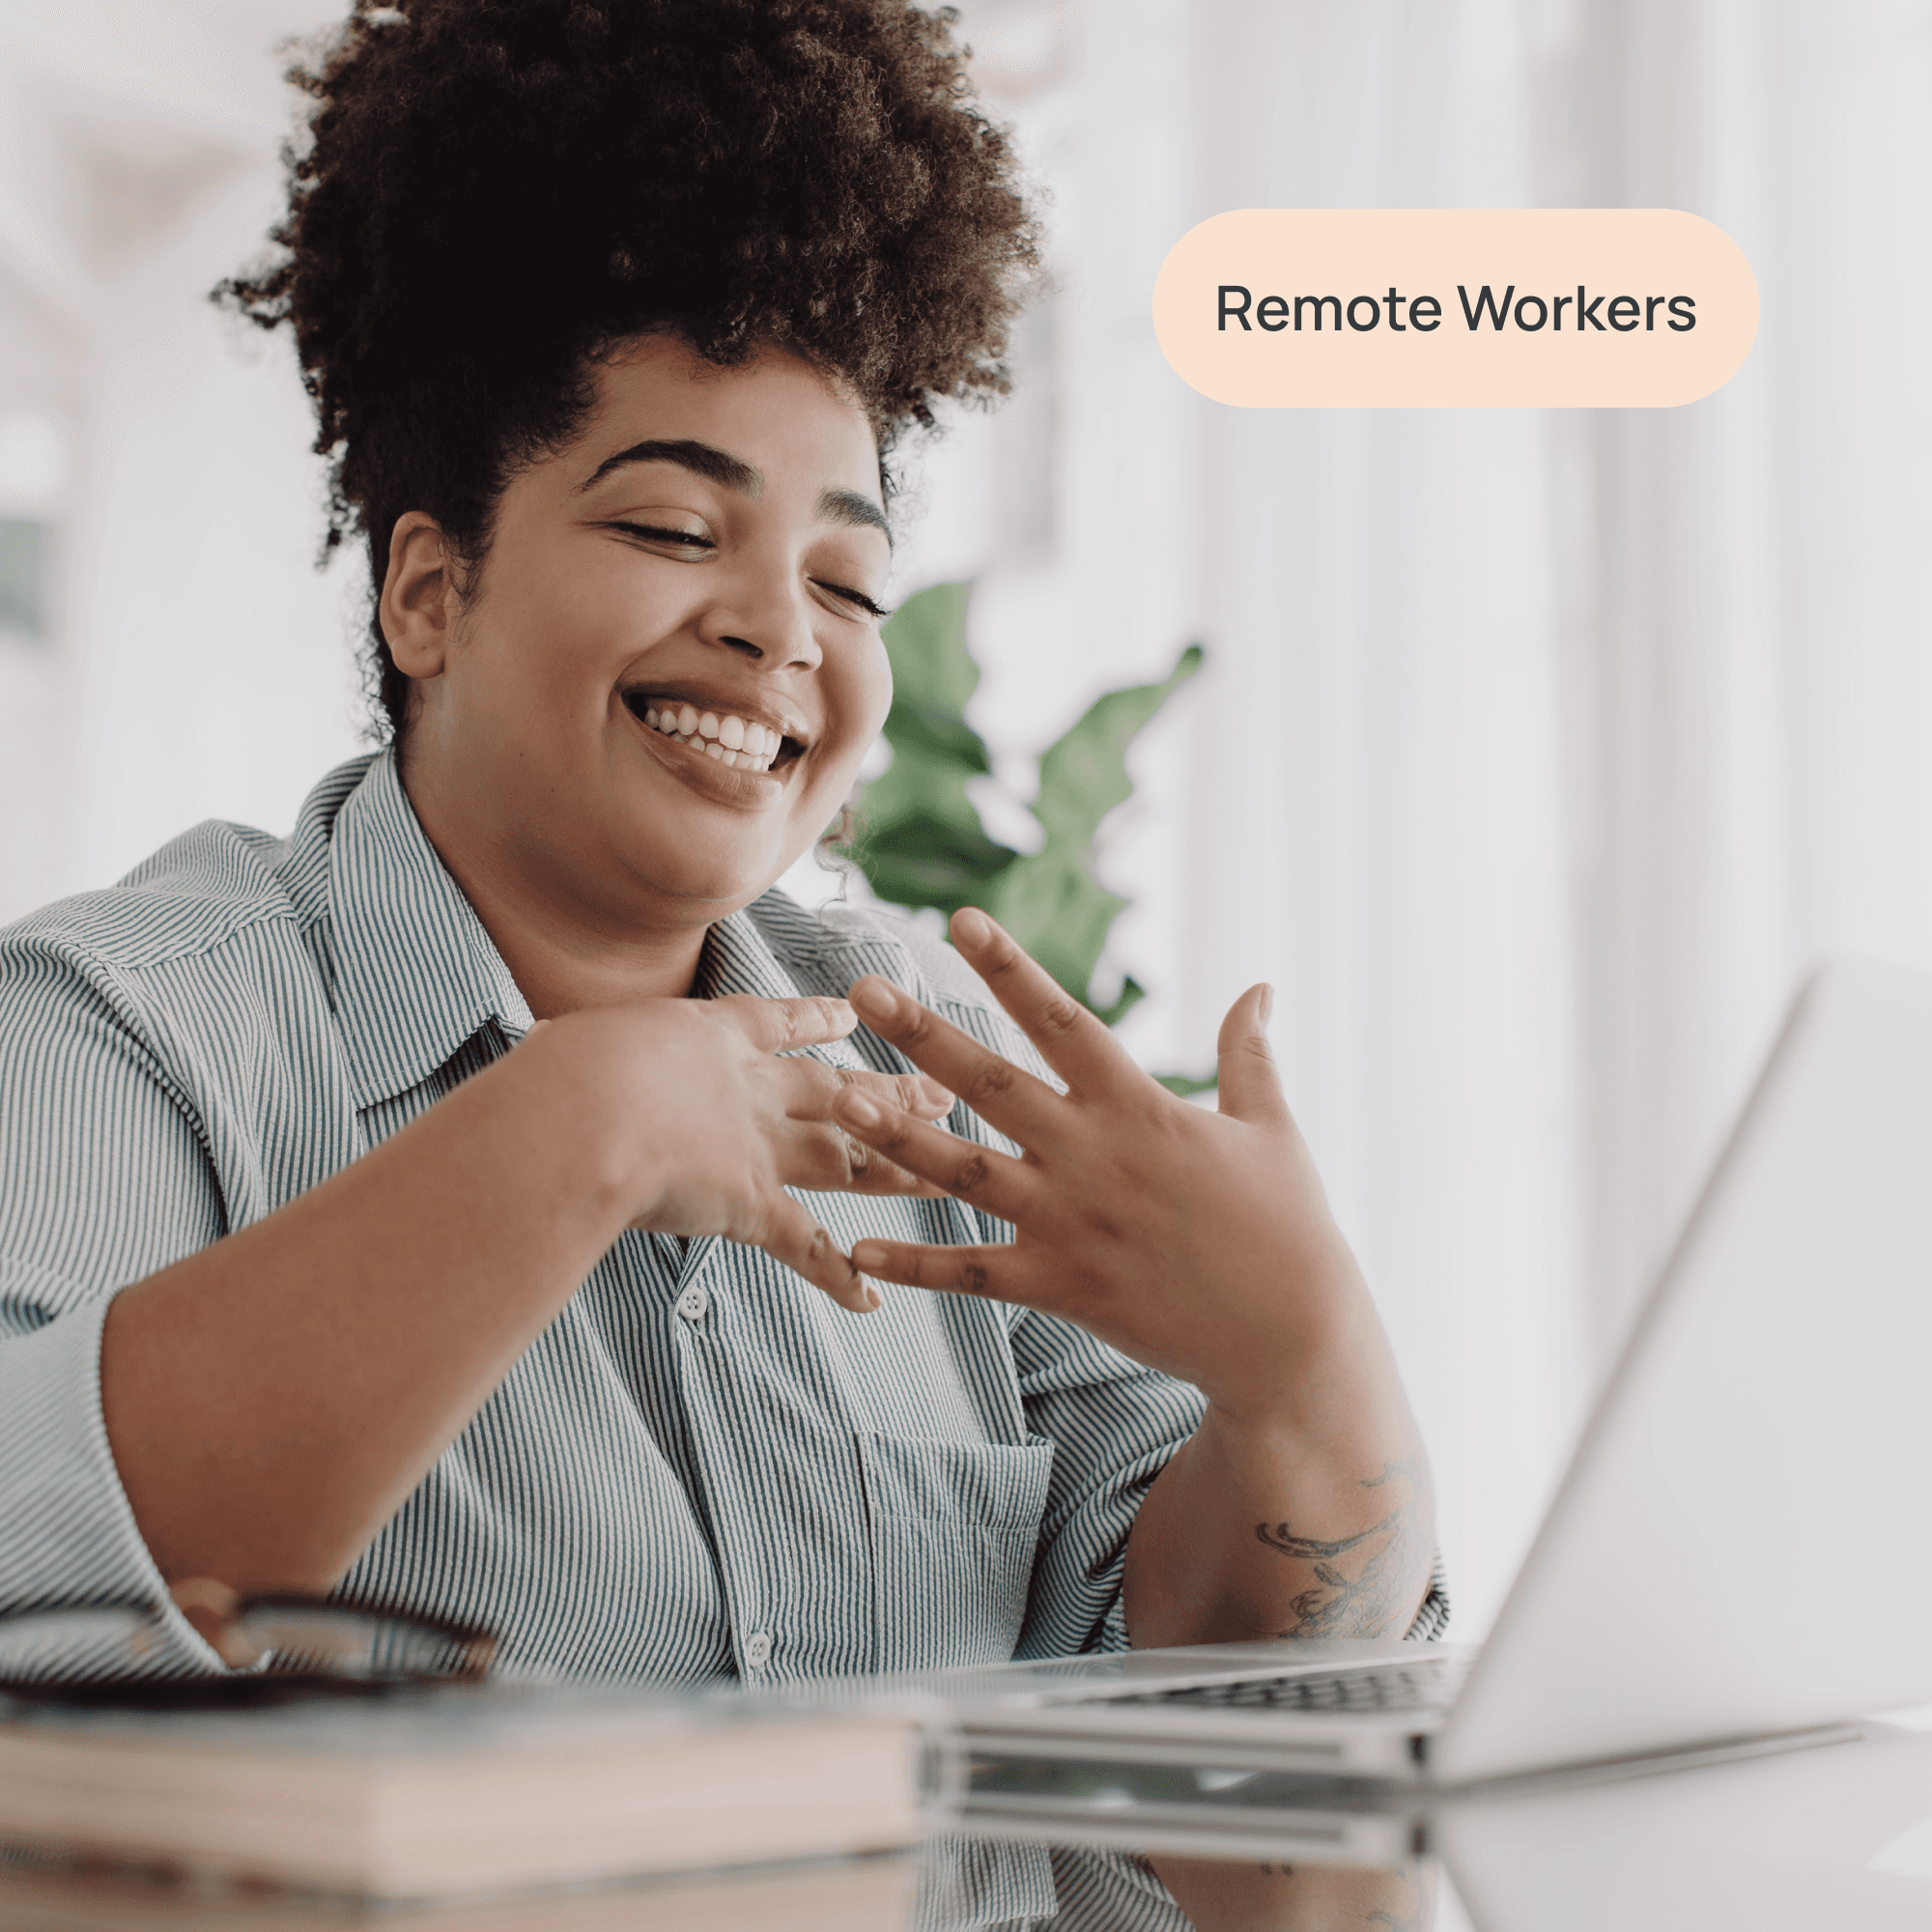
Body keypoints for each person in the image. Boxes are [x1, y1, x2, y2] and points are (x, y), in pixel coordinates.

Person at [0, 0, 1445, 1685]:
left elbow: (1211, 1810)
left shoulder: (948, 1076)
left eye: (850, 582)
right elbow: (36, 1625)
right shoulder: (116, 1034)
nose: (782, 629)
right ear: (428, 591)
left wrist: (1308, 1377)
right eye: (676, 525)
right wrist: (581, 1122)